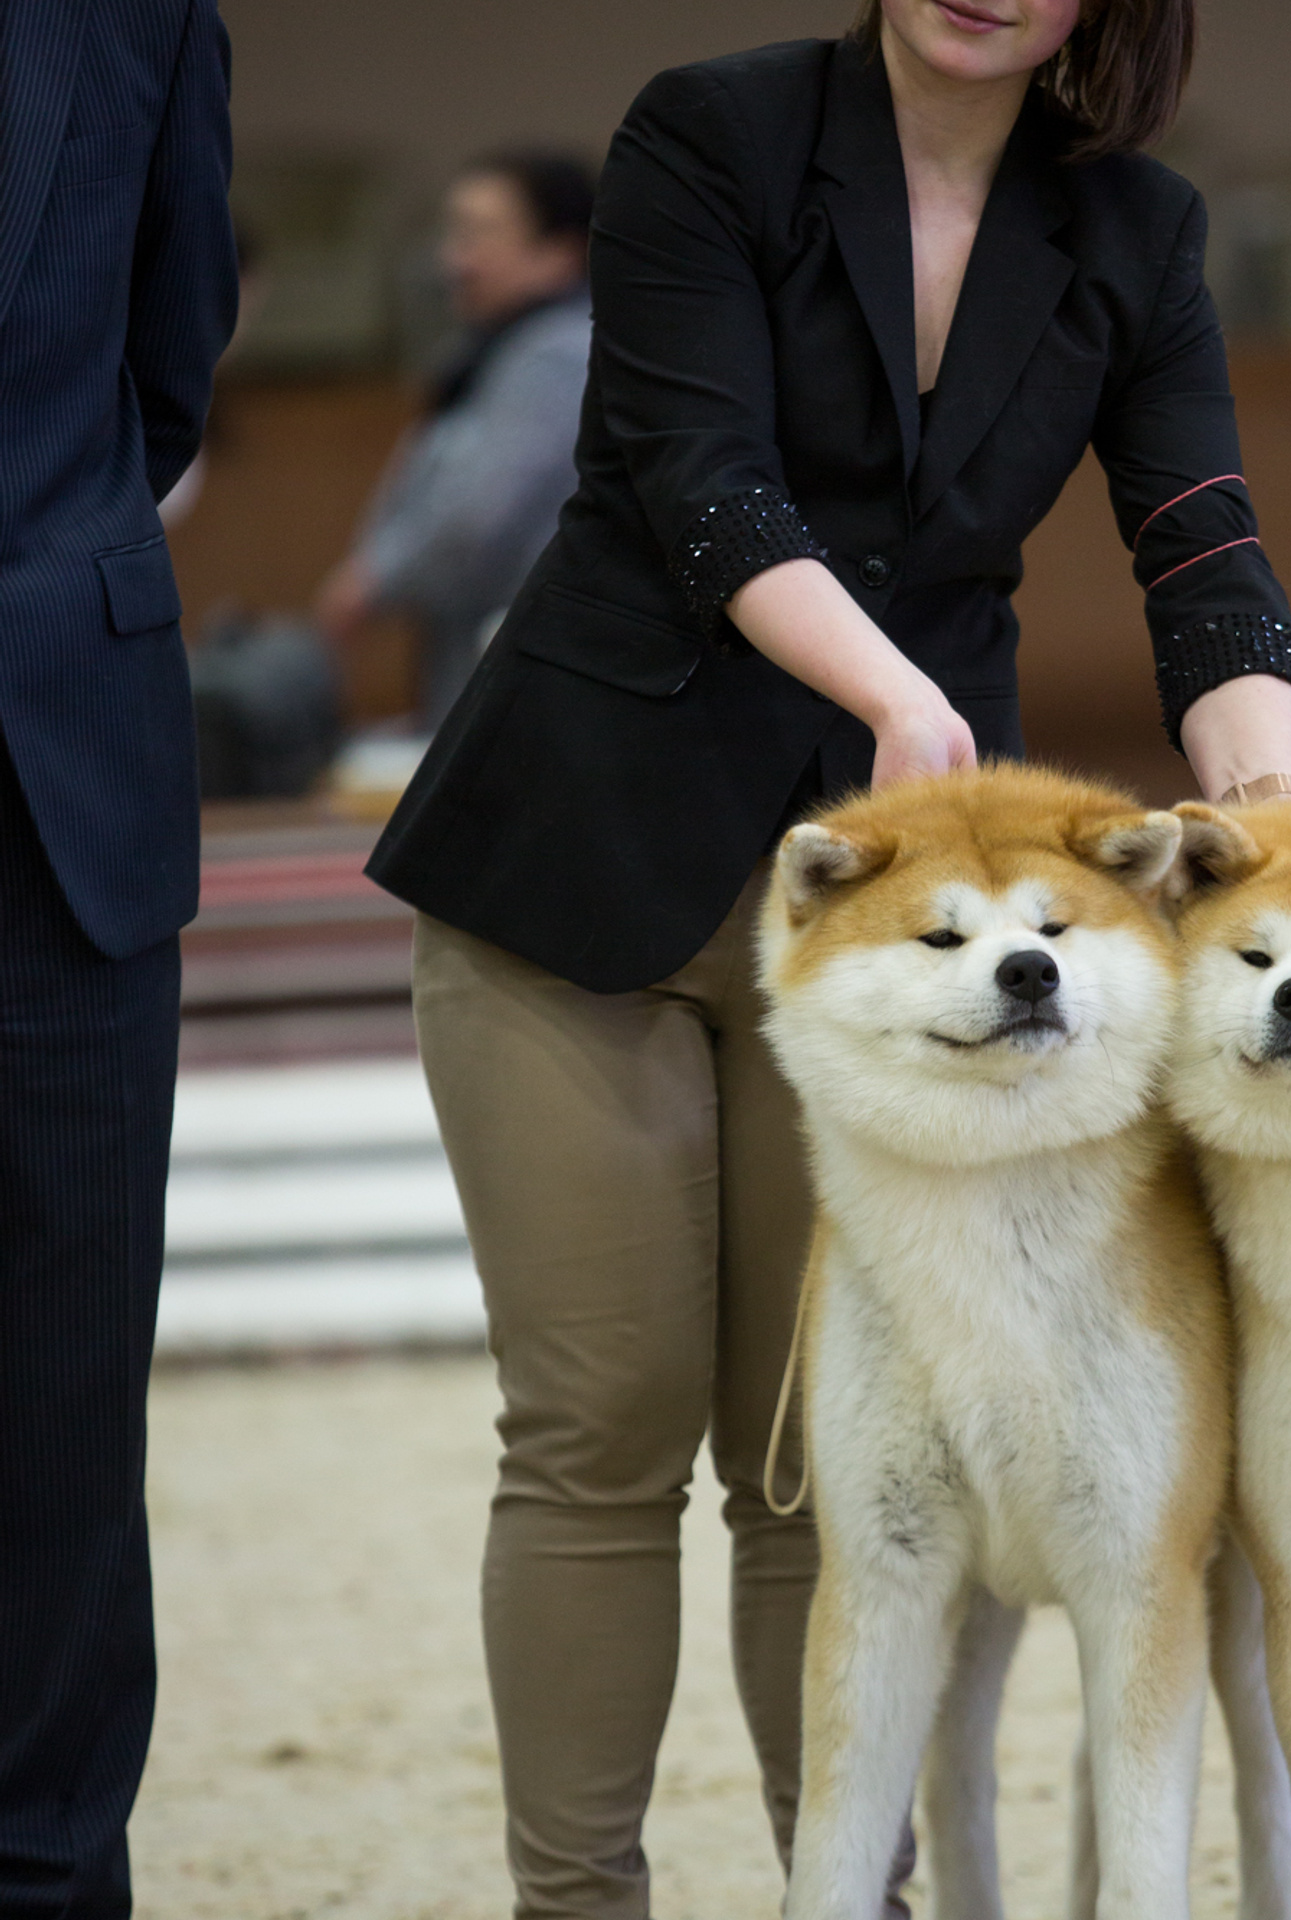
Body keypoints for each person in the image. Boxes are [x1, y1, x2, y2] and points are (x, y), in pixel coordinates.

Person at [366, 3, 1291, 1913]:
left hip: (905, 941)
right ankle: (582, 1904)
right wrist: (899, 701)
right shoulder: (711, 132)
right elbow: (694, 472)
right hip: (585, 859)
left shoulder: (1139, 230)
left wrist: (1276, 821)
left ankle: (846, 1894)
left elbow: (1204, 551)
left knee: (829, 1460)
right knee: (598, 1431)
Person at [0, 4, 237, 1916]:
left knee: (64, 1416)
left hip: (53, 786)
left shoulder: (143, 13)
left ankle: (51, 1883)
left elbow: (170, 367)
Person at [316, 151, 595, 728]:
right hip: (486, 657)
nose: (454, 259)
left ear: (558, 252)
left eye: (478, 235)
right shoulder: (499, 350)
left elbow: (479, 514)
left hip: (523, 667)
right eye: (454, 234)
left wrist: (372, 582)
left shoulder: (555, 354)